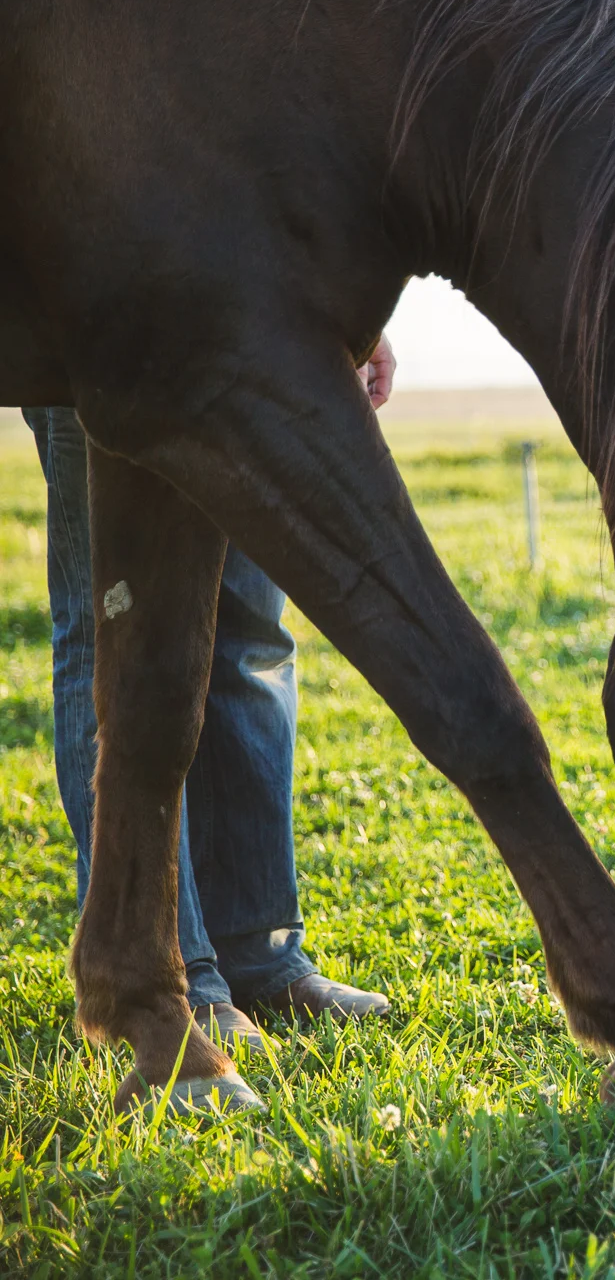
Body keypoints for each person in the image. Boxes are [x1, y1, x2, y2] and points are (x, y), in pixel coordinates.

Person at [29, 337, 402, 1052]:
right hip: (95, 302)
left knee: (249, 630)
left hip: (244, 325)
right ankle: (169, 973)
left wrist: (348, 322)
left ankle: (260, 956)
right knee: (114, 626)